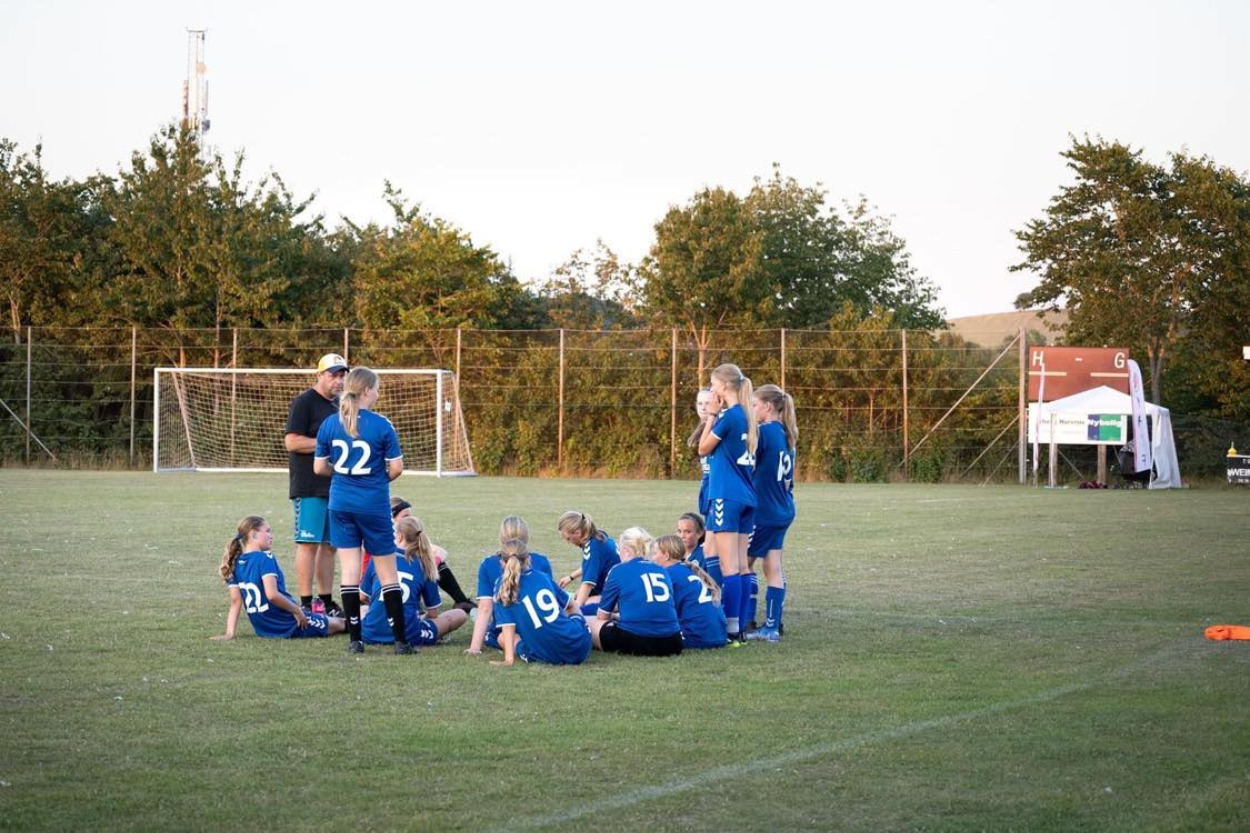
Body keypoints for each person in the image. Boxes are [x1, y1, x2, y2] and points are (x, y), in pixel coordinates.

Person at [313, 366, 409, 655]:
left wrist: (344, 477)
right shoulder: (381, 425)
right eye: (376, 388)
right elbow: (397, 468)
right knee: (387, 574)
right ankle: (401, 641)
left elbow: (319, 467)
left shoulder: (330, 424)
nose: (378, 394)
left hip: (340, 503)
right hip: (373, 504)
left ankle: (356, 640)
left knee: (350, 572)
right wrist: (376, 479)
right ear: (366, 390)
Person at [284, 353, 349, 617]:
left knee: (330, 546)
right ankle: (307, 602)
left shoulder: (339, 407)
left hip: (334, 485)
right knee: (308, 544)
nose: (338, 381)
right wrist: (326, 443)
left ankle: (326, 600)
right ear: (319, 375)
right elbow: (292, 442)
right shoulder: (304, 402)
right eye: (333, 375)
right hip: (309, 486)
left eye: (342, 375)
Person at [697, 362, 758, 643]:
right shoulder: (745, 414)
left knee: (729, 567)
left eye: (712, 385)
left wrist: (711, 415)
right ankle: (741, 627)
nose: (711, 390)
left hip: (726, 495)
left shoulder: (729, 416)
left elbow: (702, 447)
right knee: (743, 567)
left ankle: (731, 629)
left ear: (722, 386)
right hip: (745, 496)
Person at [213, 515, 345, 640]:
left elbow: (236, 601)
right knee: (341, 623)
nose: (271, 536)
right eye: (268, 531)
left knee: (330, 618)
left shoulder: (236, 562)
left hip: (264, 629)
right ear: (253, 534)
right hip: (286, 623)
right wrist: (297, 611)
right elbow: (272, 595)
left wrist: (229, 633)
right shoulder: (264, 558)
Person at [359, 516, 468, 648]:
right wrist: (420, 618)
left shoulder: (379, 558)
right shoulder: (425, 565)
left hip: (370, 634)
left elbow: (362, 596)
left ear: (399, 537)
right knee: (459, 614)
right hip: (409, 634)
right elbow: (433, 614)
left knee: (364, 609)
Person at [490, 538, 592, 667]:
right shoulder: (542, 577)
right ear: (529, 559)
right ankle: (564, 639)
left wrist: (508, 659)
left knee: (502, 638)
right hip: (581, 647)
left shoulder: (502, 587)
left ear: (502, 563)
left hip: (548, 656)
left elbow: (508, 626)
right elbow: (571, 606)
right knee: (570, 614)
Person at [746, 384, 797, 642]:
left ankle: (744, 620)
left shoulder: (764, 432)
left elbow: (746, 463)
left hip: (764, 512)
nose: (752, 410)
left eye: (754, 405)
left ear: (767, 406)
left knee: (741, 565)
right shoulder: (787, 433)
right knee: (773, 566)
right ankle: (772, 626)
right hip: (784, 508)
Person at [587, 527, 683, 657]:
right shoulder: (661, 570)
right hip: (673, 641)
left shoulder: (618, 570)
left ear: (626, 549)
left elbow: (602, 616)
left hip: (637, 640)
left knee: (586, 621)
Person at [465, 516, 554, 655]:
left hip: (507, 631)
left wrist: (474, 648)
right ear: (527, 538)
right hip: (540, 629)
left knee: (494, 631)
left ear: (501, 539)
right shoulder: (542, 561)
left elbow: (485, 608)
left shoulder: (489, 564)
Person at [390, 497, 475, 614]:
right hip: (387, 582)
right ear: (391, 518)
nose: (409, 520)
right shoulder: (384, 537)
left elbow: (441, 552)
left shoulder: (413, 533)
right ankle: (414, 604)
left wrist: (427, 568)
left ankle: (461, 601)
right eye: (405, 517)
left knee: (436, 563)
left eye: (410, 516)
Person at [650, 534, 727, 649]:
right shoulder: (689, 569)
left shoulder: (668, 574)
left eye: (655, 553)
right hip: (719, 635)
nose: (652, 558)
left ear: (666, 555)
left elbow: (655, 612)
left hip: (697, 637)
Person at [554, 510, 619, 615]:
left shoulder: (593, 548)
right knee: (577, 596)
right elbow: (592, 565)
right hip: (618, 588)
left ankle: (615, 617)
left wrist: (576, 612)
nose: (568, 542)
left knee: (585, 605)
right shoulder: (598, 536)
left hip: (621, 594)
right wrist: (570, 577)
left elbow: (588, 584)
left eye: (568, 539)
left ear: (577, 533)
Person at [686, 388, 718, 576]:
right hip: (708, 488)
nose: (704, 407)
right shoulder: (705, 427)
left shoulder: (718, 426)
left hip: (719, 491)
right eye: (700, 403)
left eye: (707, 402)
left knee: (714, 547)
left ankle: (714, 591)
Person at [676, 511, 721, 587]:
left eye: (688, 532)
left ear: (699, 534)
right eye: (679, 531)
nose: (682, 536)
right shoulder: (673, 553)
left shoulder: (705, 553)